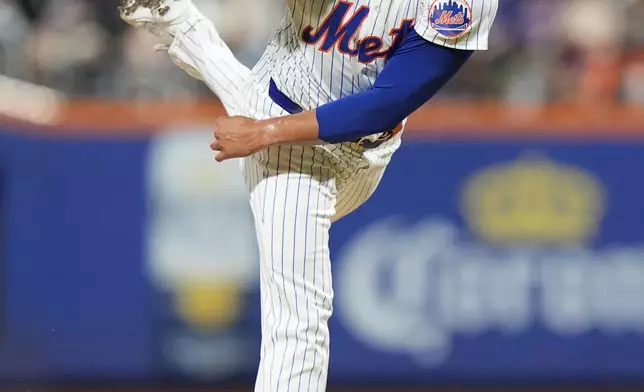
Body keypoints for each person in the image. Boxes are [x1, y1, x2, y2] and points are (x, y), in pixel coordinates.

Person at [119, 0, 498, 390]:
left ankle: (181, 24)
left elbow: (385, 105)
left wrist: (262, 132)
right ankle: (182, 25)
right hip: (287, 133)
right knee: (299, 321)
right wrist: (268, 133)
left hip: (366, 153)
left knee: (257, 111)